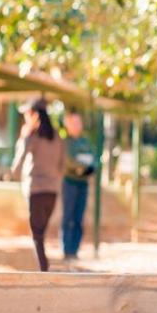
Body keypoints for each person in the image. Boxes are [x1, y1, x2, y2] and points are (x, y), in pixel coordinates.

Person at [11, 99, 65, 272]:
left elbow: (17, 163)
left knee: (37, 235)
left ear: (34, 115)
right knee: (41, 232)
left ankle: (43, 269)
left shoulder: (32, 136)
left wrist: (24, 136)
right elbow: (62, 165)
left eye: (27, 114)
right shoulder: (57, 137)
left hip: (36, 190)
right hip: (52, 191)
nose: (25, 118)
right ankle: (43, 267)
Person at [61, 108, 96, 260]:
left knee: (79, 217)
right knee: (68, 216)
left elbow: (93, 160)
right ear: (67, 125)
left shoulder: (86, 141)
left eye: (78, 122)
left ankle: (75, 250)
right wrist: (82, 165)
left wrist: (85, 167)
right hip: (69, 182)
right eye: (73, 122)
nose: (76, 125)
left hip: (83, 183)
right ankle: (67, 249)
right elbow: (70, 162)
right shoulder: (65, 143)